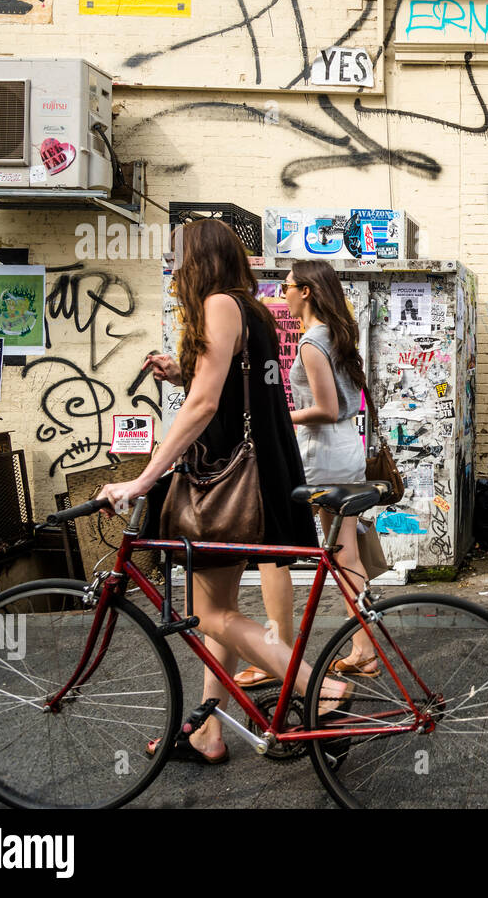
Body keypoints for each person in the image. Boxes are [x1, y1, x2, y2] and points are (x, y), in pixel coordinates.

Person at [96, 219, 345, 764]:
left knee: (207, 614)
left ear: (199, 258)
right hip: (260, 475)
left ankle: (316, 686)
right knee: (222, 608)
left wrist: (143, 478)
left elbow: (207, 405)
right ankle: (207, 729)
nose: (175, 266)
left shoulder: (217, 304)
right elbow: (231, 385)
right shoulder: (247, 307)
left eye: (179, 256)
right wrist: (185, 373)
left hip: (228, 480)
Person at [235, 260, 380, 688]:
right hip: (344, 450)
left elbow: (328, 408)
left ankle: (276, 651)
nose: (283, 294)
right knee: (345, 553)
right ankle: (364, 649)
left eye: (287, 286)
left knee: (275, 549)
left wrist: (279, 417)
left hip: (322, 455)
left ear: (307, 292)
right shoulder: (337, 335)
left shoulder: (313, 344)